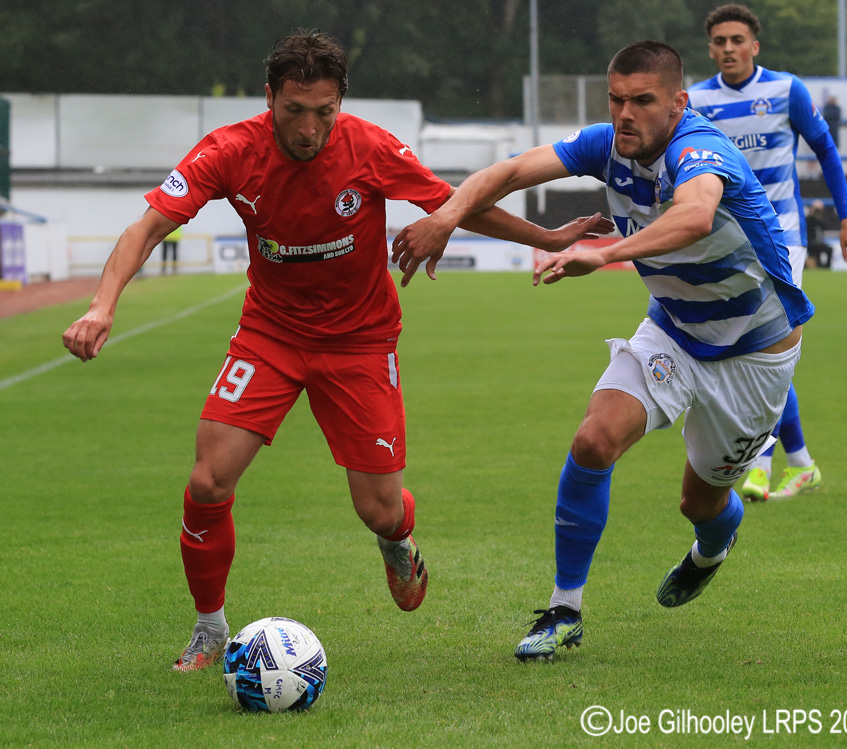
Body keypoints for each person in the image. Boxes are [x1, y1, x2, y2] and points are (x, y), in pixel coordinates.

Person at [61, 30, 609, 672]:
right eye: (294, 111)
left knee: (378, 509)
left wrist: (544, 236)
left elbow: (452, 205)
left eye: (324, 112)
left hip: (360, 341)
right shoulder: (230, 150)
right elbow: (148, 225)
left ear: (340, 104)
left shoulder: (369, 147)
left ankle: (398, 540)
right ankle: (210, 628)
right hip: (270, 336)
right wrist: (103, 305)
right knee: (207, 482)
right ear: (270, 98)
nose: (309, 128)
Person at [391, 40, 813, 661]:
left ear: (678, 103)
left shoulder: (701, 150)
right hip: (672, 329)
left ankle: (713, 547)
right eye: (616, 99)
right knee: (594, 440)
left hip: (755, 354)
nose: (625, 114)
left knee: (701, 502)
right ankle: (565, 611)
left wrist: (606, 254)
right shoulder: (603, 144)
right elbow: (507, 172)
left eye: (642, 101)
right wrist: (448, 215)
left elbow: (694, 216)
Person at [688, 3, 847, 502]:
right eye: (719, 41)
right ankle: (801, 463)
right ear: (711, 48)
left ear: (754, 46)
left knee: (769, 347)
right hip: (726, 242)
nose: (728, 49)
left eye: (736, 40)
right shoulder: (697, 100)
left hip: (783, 235)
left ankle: (761, 464)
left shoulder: (786, 90)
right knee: (753, 351)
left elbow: (826, 150)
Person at [805, 200, 833, 269]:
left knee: (829, 249)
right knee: (816, 259)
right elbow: (809, 222)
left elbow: (825, 226)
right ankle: (818, 266)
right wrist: (812, 213)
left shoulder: (820, 219)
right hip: (810, 243)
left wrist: (819, 216)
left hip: (818, 242)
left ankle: (827, 267)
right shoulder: (809, 219)